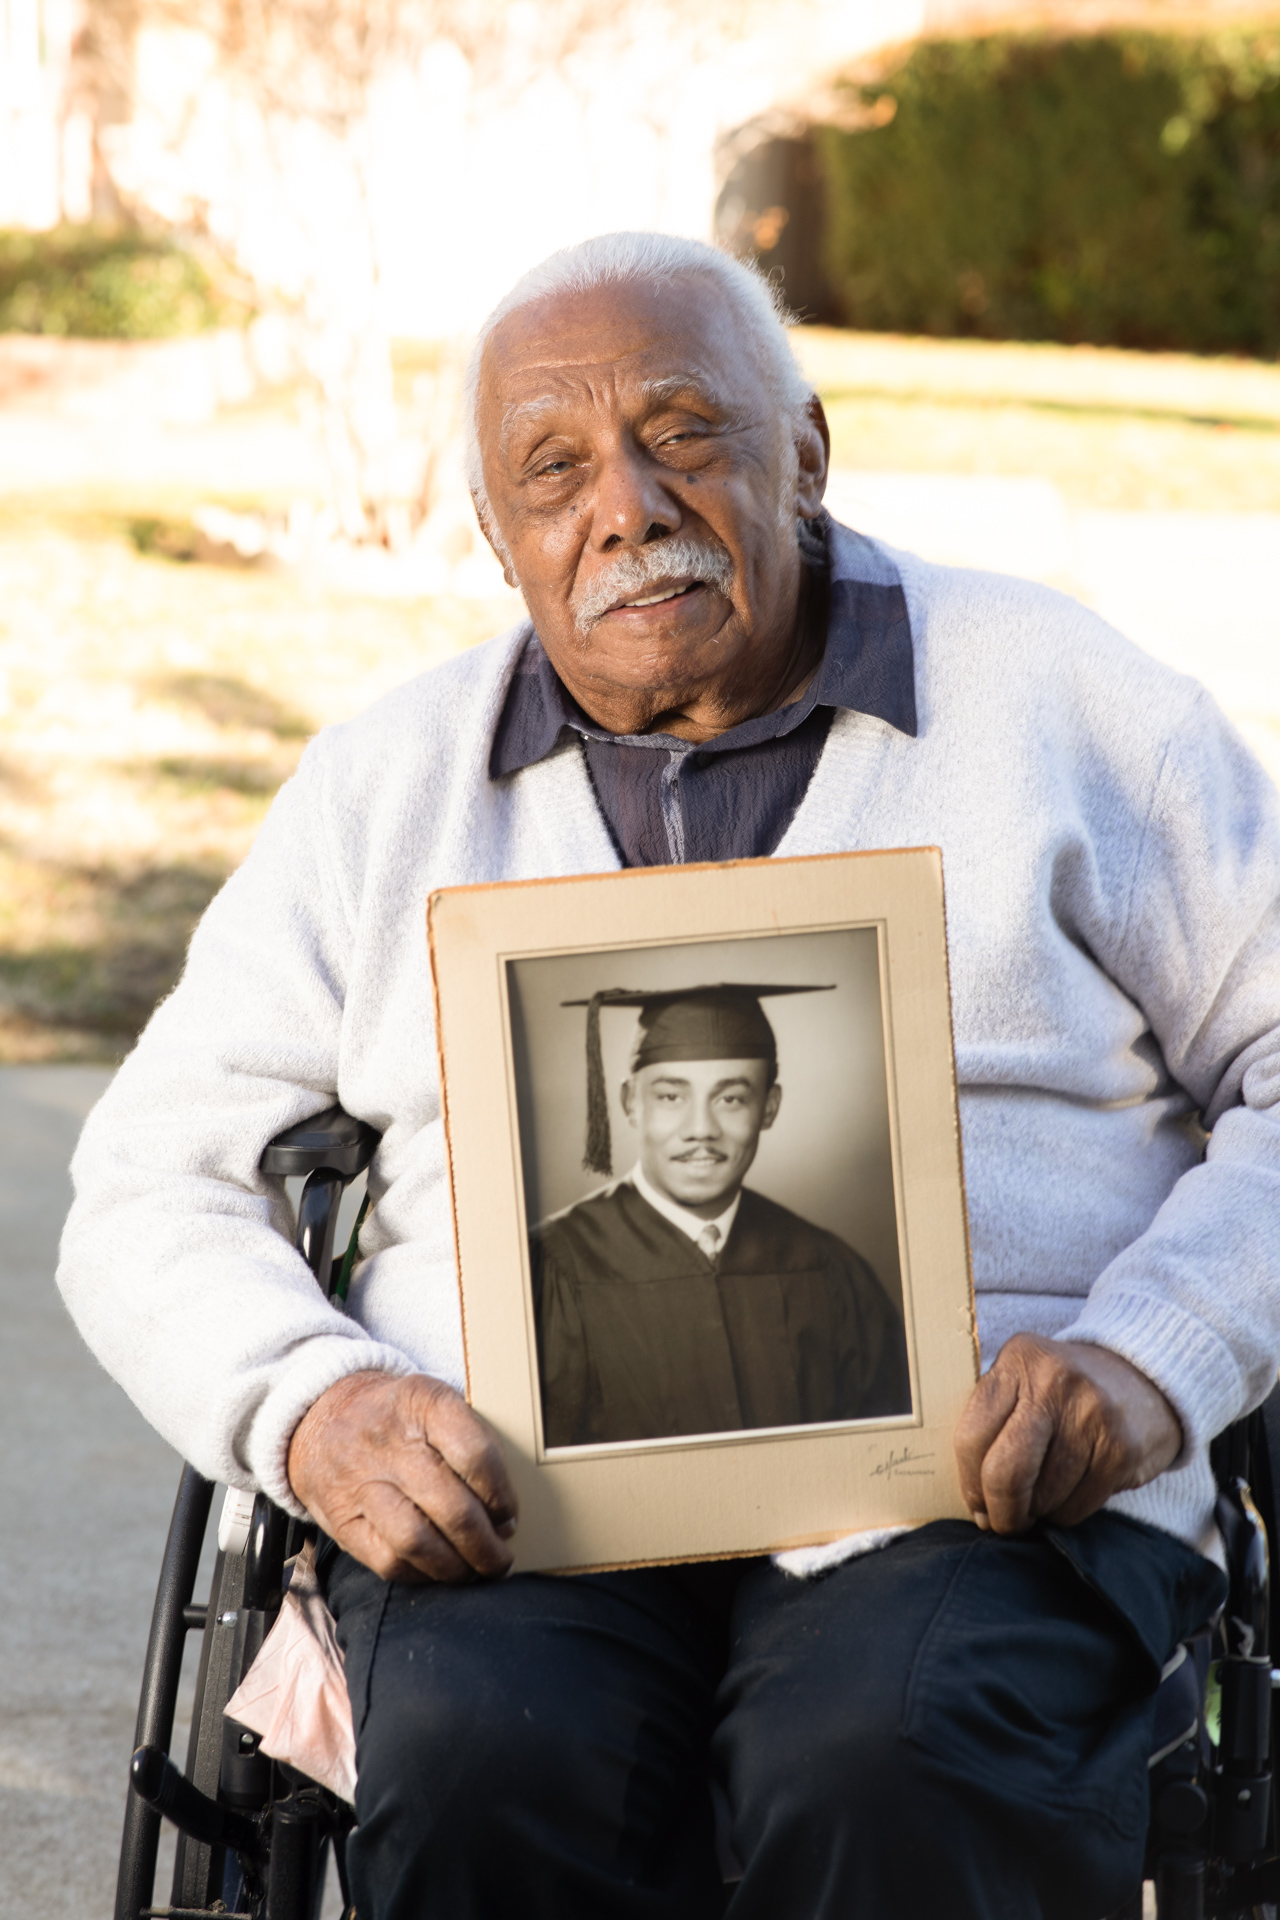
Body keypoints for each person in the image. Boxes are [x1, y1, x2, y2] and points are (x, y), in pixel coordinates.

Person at [57, 230, 1280, 1920]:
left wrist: (1150, 1365)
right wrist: (317, 1409)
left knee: (887, 1750)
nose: (624, 506)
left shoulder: (1068, 705)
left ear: (810, 456)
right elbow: (145, 1185)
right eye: (551, 471)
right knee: (490, 1755)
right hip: (509, 1505)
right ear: (499, 540)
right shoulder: (386, 791)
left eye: (685, 430)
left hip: (987, 1499)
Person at [531, 982, 909, 1445]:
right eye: (672, 1097)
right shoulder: (552, 1267)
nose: (701, 1130)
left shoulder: (830, 1271)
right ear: (631, 1103)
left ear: (769, 1108)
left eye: (730, 1099)